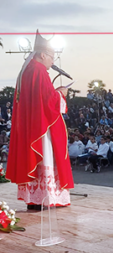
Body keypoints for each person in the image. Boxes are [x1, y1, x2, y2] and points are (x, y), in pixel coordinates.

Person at [6, 30, 74, 209]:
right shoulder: (39, 70)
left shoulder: (27, 70)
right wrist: (61, 94)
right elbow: (47, 101)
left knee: (38, 162)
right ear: (42, 54)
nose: (53, 61)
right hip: (41, 127)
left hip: (31, 124)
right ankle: (44, 198)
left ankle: (35, 200)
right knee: (46, 158)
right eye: (51, 57)